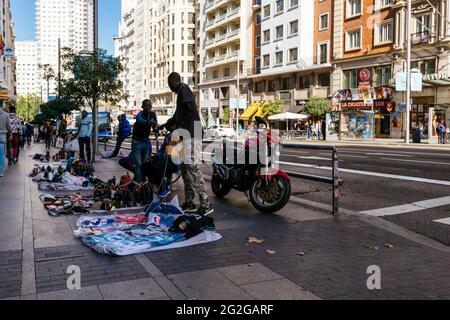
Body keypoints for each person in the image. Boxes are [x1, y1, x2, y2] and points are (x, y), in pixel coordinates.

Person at [159, 72, 214, 216]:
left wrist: (180, 126)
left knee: (192, 168)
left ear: (173, 81)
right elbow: (178, 115)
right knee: (185, 169)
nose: (168, 85)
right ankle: (189, 202)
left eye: (168, 82)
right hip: (187, 134)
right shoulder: (181, 95)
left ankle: (205, 204)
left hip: (192, 133)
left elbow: (191, 111)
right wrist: (164, 125)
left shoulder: (183, 88)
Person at [131, 100, 158, 182]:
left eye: (150, 105)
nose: (148, 107)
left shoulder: (152, 114)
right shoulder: (140, 114)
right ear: (142, 107)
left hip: (145, 141)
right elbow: (140, 121)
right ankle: (139, 182)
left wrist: (156, 131)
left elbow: (154, 125)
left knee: (145, 163)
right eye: (146, 106)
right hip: (137, 141)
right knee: (138, 164)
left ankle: (141, 179)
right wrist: (148, 122)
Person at [0, 105, 12, 177]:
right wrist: (10, 134)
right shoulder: (6, 114)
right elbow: (9, 126)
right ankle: (0, 172)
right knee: (1, 155)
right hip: (2, 136)